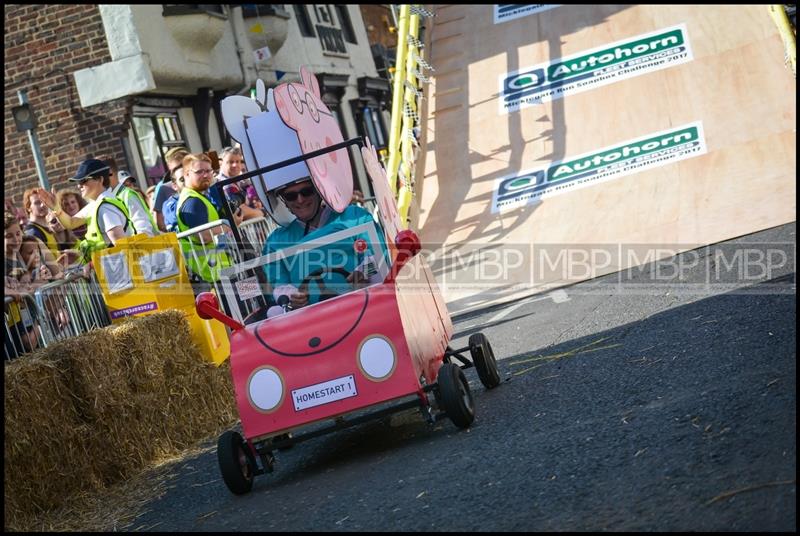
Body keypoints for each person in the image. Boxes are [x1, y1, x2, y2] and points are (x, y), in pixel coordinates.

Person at [263, 177, 386, 309]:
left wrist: (363, 273)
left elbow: (378, 257)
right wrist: (292, 297)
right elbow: (278, 285)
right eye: (291, 196)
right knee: (273, 312)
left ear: (318, 191)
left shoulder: (354, 217)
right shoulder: (275, 242)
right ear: (285, 202)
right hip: (311, 321)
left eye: (306, 191)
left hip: (362, 305)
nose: (300, 199)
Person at [36, 159, 134, 264]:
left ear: (100, 179)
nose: (79, 185)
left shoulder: (105, 208)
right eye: (78, 182)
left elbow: (122, 248)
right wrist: (56, 207)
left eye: (84, 181)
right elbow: (71, 223)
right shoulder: (96, 204)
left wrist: (92, 264)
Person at [176, 153, 233, 284]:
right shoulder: (192, 202)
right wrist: (230, 224)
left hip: (221, 271)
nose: (206, 175)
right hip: (213, 277)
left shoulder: (198, 197)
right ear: (186, 175)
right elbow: (203, 236)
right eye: (199, 171)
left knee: (251, 298)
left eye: (208, 171)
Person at [108, 166, 158, 236]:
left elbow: (142, 224)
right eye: (125, 185)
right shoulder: (118, 197)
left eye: (131, 184)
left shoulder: (130, 195)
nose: (130, 186)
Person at [152, 147, 187, 232]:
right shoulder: (164, 188)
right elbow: (160, 223)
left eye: (184, 165)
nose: (181, 170)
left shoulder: (204, 181)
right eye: (176, 168)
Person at [22, 188, 59, 257]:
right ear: (28, 208)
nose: (43, 205)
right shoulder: (32, 232)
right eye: (37, 203)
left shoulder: (48, 227)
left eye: (43, 200)